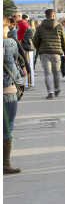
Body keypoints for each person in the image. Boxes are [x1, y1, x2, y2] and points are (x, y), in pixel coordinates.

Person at [32, 8, 65, 100]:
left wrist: (39, 48)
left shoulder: (40, 27)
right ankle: (57, 89)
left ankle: (50, 93)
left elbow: (35, 41)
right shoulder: (60, 27)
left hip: (44, 53)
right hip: (56, 53)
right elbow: (63, 41)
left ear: (45, 16)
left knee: (47, 73)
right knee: (56, 72)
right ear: (53, 16)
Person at [3, 17, 23, 174]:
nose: (9, 30)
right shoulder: (10, 43)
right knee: (6, 127)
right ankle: (5, 163)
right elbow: (15, 62)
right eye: (6, 28)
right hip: (7, 90)